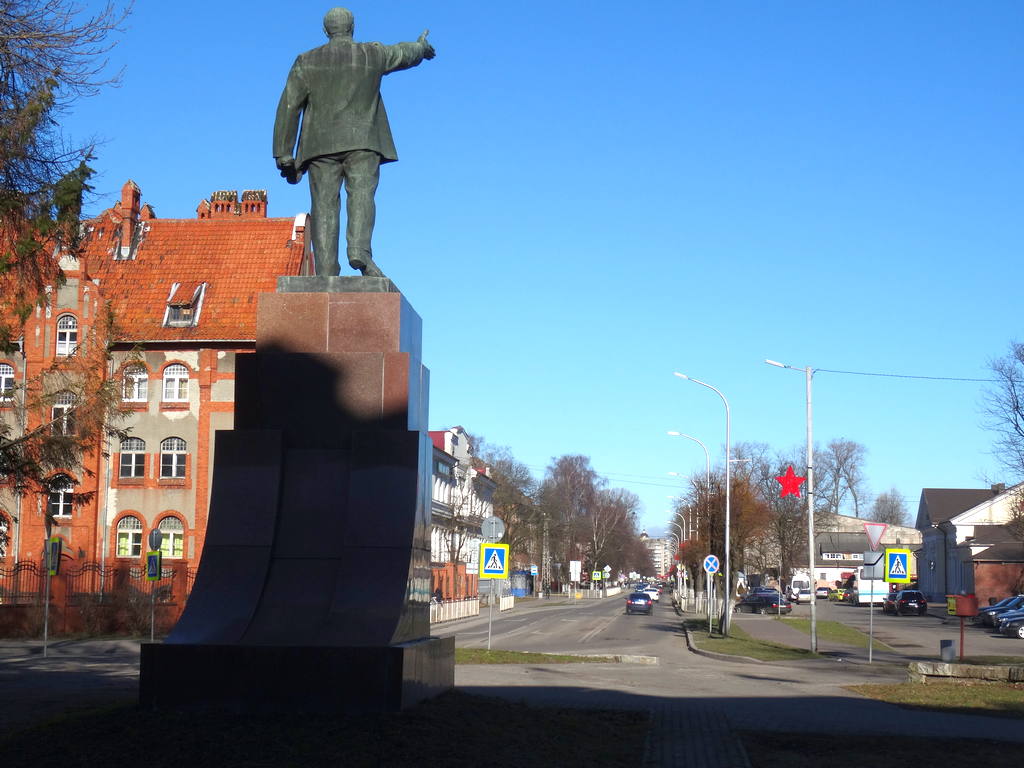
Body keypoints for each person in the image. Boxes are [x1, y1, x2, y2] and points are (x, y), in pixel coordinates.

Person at [273, 8, 435, 278]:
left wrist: (283, 152)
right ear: (352, 28)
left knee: (324, 205)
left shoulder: (307, 60)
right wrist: (421, 47)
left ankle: (325, 271)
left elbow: (289, 105)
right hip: (363, 140)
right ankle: (359, 251)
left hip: (319, 145)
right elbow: (403, 52)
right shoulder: (371, 53)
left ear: (326, 31)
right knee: (361, 195)